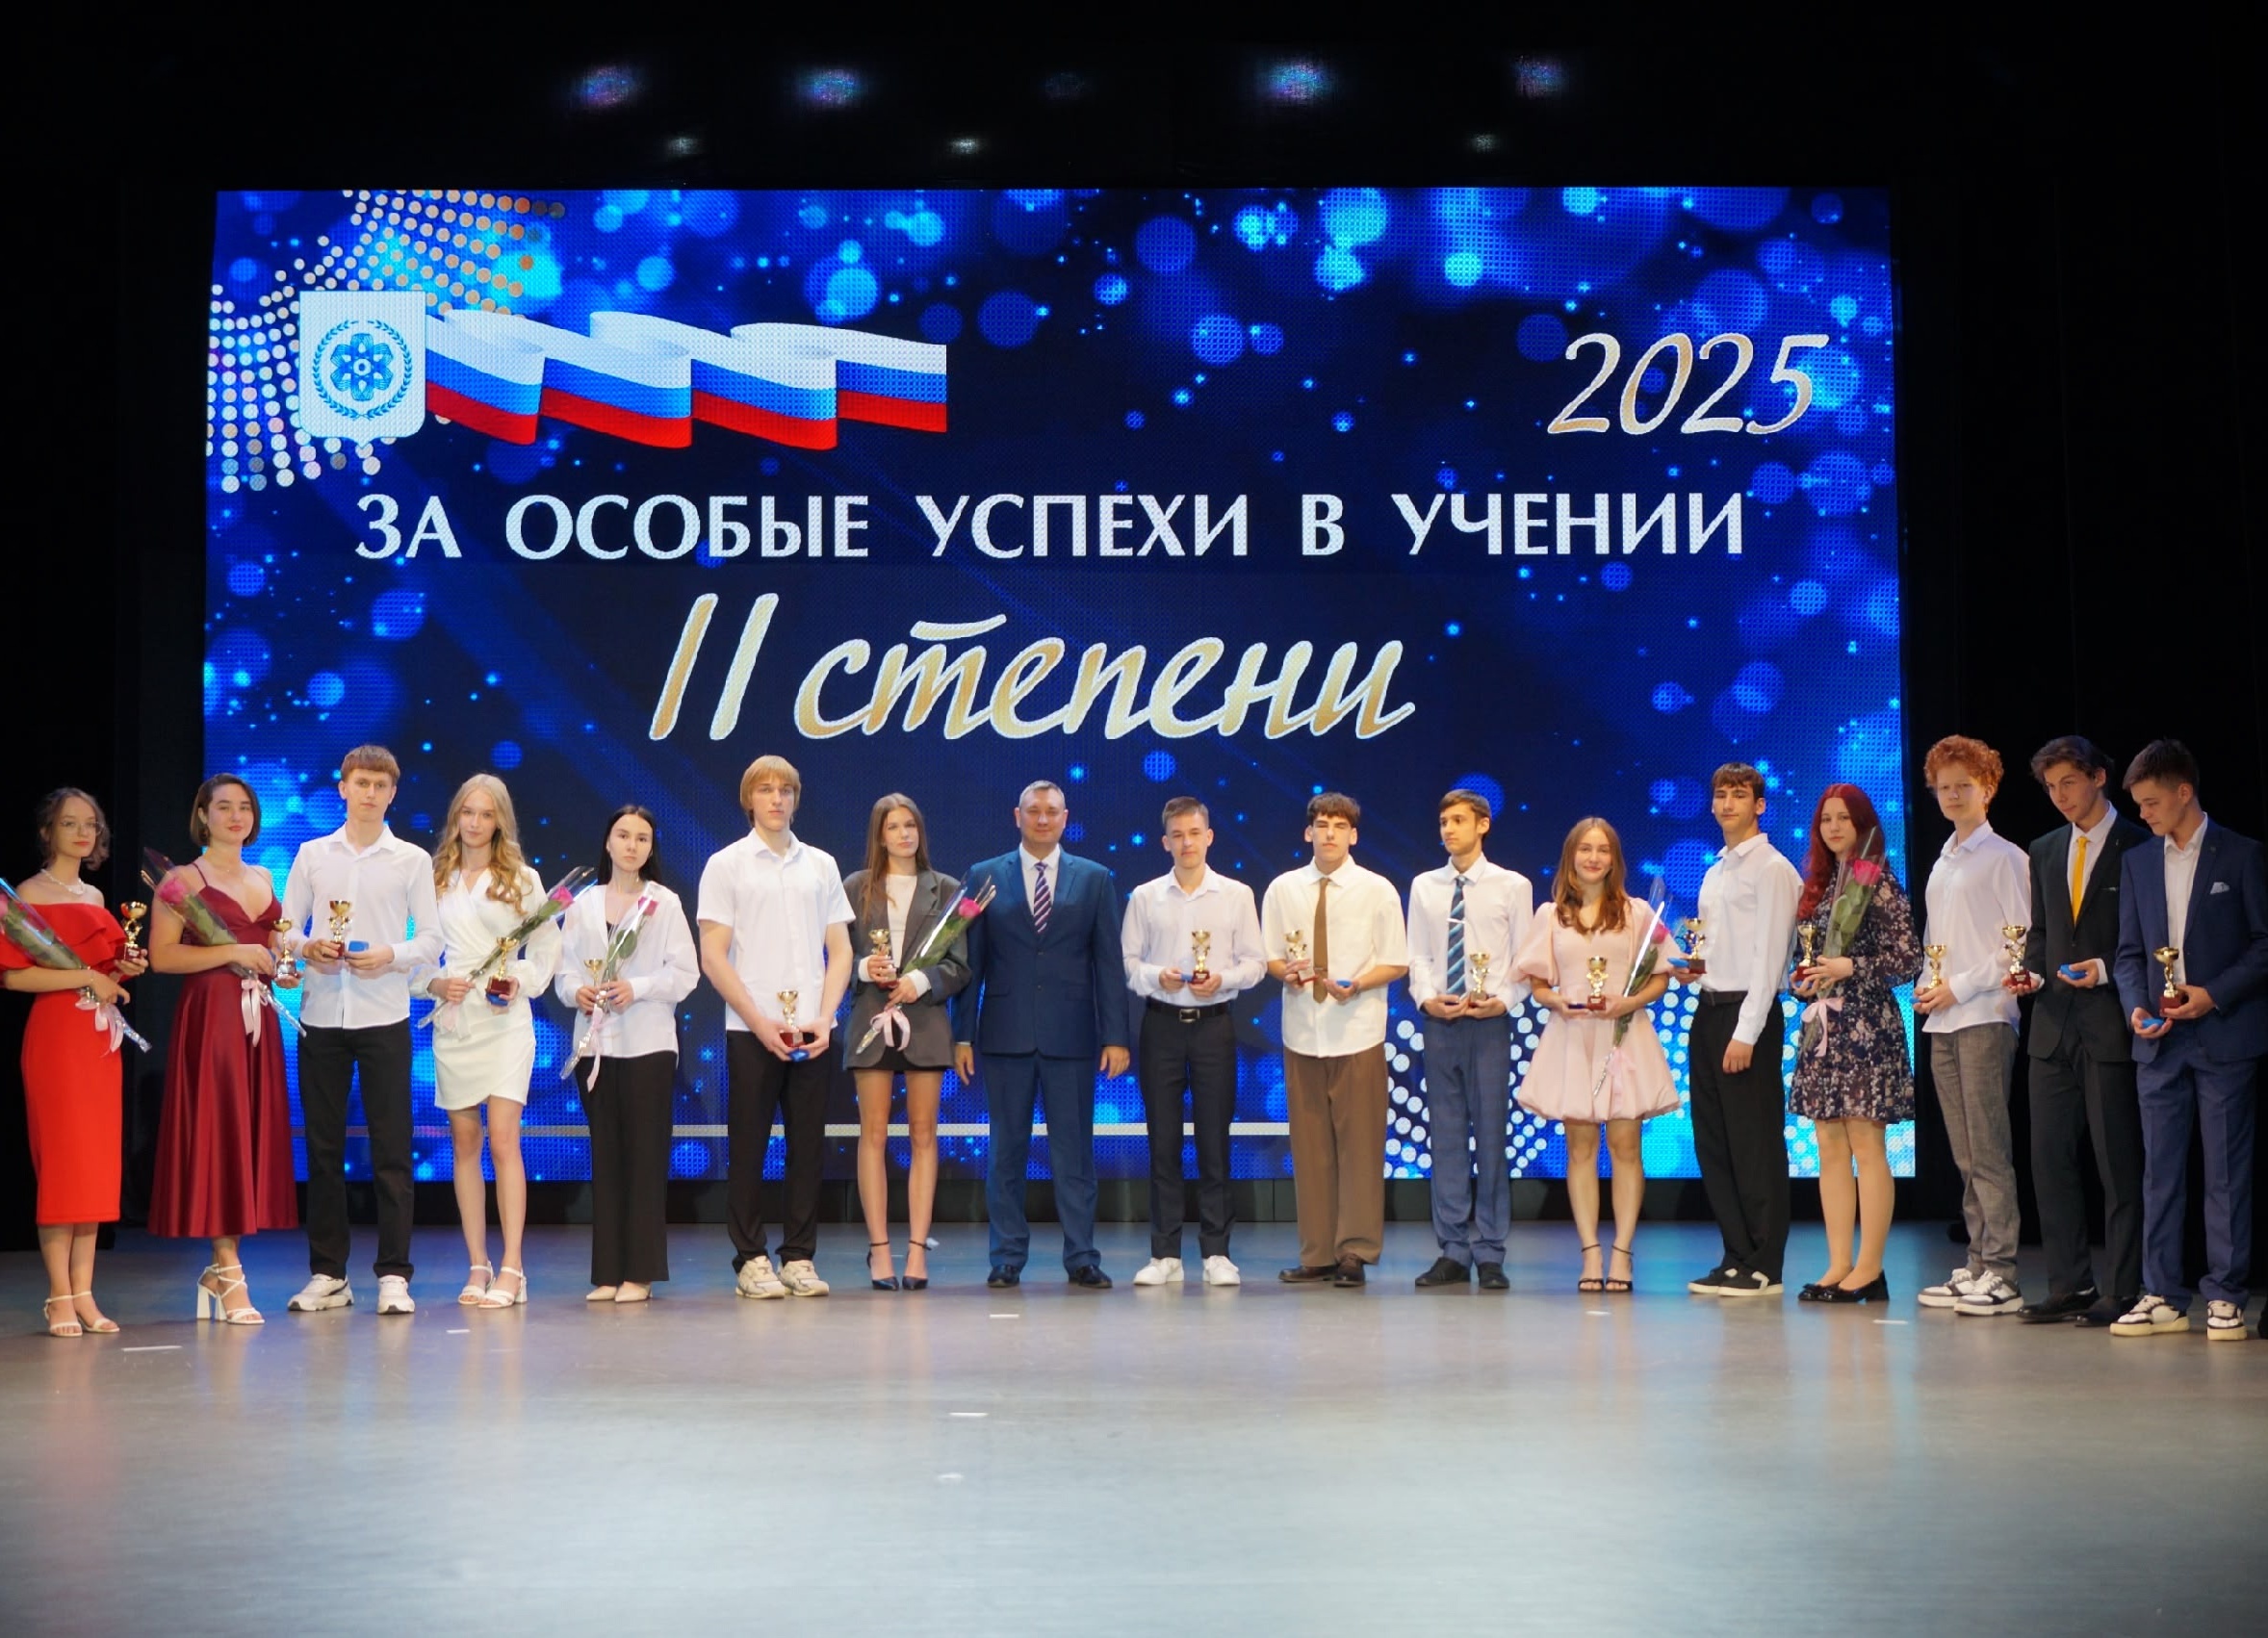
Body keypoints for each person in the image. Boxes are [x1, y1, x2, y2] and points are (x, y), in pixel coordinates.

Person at [2109, 740, 2268, 1343]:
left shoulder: (2242, 854)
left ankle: (2225, 1295)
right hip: (2159, 1041)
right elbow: (2129, 954)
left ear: (2184, 792)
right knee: (2160, 1172)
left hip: (2223, 1035)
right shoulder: (2138, 862)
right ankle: (2162, 1294)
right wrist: (2135, 1007)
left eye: (2151, 803)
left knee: (2225, 1171)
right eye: (2138, 804)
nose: (2143, 814)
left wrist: (2213, 994)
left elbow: (2264, 944)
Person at [277, 744, 440, 1318]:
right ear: (342, 787)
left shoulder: (411, 860)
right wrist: (307, 947)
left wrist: (391, 954)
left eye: (380, 785)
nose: (369, 793)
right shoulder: (313, 854)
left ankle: (394, 1274)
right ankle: (328, 1273)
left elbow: (432, 940)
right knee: (323, 1150)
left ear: (393, 793)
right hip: (322, 1016)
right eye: (361, 783)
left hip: (384, 1017)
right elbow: (285, 929)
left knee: (392, 1150)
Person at [953, 779, 1130, 1290]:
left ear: (1065, 817)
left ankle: (1082, 1257)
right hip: (1004, 1036)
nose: (1044, 818)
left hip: (1071, 1038)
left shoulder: (1094, 879)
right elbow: (970, 963)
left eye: (1053, 811)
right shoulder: (983, 876)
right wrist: (962, 1036)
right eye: (1034, 810)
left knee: (1074, 1154)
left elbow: (1108, 964)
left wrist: (1116, 1036)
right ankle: (1006, 1257)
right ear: (1018, 816)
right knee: (1005, 1153)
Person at [698, 755, 853, 1300]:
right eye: (765, 789)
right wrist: (758, 1021)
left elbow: (841, 950)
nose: (776, 798)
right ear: (749, 799)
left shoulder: (822, 865)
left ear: (795, 799)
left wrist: (826, 1016)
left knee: (807, 1147)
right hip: (752, 1029)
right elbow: (713, 955)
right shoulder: (726, 864)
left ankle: (799, 1257)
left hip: (812, 1028)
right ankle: (750, 1258)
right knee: (749, 1145)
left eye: (785, 789)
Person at [2006, 737, 2150, 1326]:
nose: (2060, 796)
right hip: (2051, 1025)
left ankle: (2125, 1287)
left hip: (2110, 1022)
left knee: (2117, 1162)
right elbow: (2041, 931)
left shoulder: (2138, 844)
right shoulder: (2045, 848)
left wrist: (2107, 969)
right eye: (2050, 787)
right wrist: (2031, 974)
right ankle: (2069, 1284)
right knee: (2049, 1160)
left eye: (2069, 782)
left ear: (2098, 778)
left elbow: (2151, 936)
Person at [146, 775, 297, 1323]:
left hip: (257, 1017)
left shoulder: (264, 877)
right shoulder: (182, 880)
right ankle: (228, 1267)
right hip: (211, 1018)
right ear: (203, 816)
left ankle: (220, 1267)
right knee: (219, 1131)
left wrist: (283, 967)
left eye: (245, 808)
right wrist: (231, 951)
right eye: (224, 807)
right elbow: (163, 957)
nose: (236, 816)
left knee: (247, 1133)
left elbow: (273, 947)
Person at [2, 790, 145, 1336]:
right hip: (56, 1038)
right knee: (63, 1165)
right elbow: (15, 976)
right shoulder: (27, 895)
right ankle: (58, 1295)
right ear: (48, 831)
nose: (83, 833)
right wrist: (87, 976)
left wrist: (124, 968)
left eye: (91, 824)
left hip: (98, 1040)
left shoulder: (96, 894)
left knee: (93, 1166)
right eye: (70, 823)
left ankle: (84, 1292)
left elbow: (105, 973)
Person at [1512, 818, 1676, 1293]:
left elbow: (1662, 975)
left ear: (1614, 859)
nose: (1593, 857)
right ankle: (1590, 1251)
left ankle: (1622, 1251)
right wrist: (1556, 1000)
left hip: (1624, 1037)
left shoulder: (1637, 912)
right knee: (1580, 1149)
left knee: (1626, 1148)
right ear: (1571, 856)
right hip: (1573, 1038)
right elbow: (1538, 984)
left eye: (1603, 850)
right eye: (1585, 849)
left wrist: (1630, 1002)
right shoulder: (1551, 915)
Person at [1261, 792, 1409, 1290]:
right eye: (1321, 825)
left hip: (1358, 1032)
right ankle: (1317, 1253)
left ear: (1353, 836)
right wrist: (1287, 973)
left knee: (1360, 1149)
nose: (1329, 833)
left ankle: (1355, 1251)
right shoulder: (1283, 888)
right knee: (1310, 1151)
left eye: (1339, 826)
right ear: (1308, 833)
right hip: (1303, 1033)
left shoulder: (1377, 890)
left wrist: (1359, 984)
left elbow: (1396, 960)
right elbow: (1271, 955)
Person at [424, 774, 558, 1310]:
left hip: (504, 1025)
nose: (475, 823)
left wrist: (516, 980)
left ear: (501, 821)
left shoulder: (523, 879)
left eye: (486, 814)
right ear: (455, 817)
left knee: (503, 1140)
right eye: (467, 813)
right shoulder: (433, 877)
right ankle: (477, 1263)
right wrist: (434, 984)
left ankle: (513, 1267)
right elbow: (415, 952)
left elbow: (545, 950)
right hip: (456, 1021)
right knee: (464, 1143)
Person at [1910, 735, 2033, 1318]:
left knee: (1987, 1147)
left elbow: (2019, 944)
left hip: (1985, 1013)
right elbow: (1939, 938)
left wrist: (1958, 986)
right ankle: (1978, 1262)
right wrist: (1928, 982)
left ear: (1988, 788)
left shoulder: (2005, 857)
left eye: (1965, 785)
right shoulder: (1944, 860)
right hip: (1943, 1018)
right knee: (1963, 1151)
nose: (1953, 795)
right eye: (1944, 787)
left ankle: (2003, 1272)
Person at [1121, 796, 1266, 1289]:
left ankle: (1216, 1252)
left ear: (1210, 837)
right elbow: (1129, 964)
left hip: (1214, 1026)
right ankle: (1164, 1253)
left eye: (1195, 833)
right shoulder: (1145, 896)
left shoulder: (1236, 895)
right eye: (1178, 835)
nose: (1187, 843)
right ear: (1165, 842)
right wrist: (1155, 976)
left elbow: (1255, 963)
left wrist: (1222, 979)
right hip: (1161, 1024)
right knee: (1162, 1140)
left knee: (1214, 1140)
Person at [556, 805, 698, 1304]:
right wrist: (576, 993)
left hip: (648, 1045)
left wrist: (636, 987)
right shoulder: (582, 904)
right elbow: (564, 972)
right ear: (608, 842)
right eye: (623, 835)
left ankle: (640, 1272)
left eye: (642, 838)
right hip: (595, 1047)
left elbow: (685, 974)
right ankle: (608, 1272)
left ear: (651, 848)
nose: (632, 845)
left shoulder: (664, 903)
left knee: (645, 1159)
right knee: (606, 1159)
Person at [1787, 784, 1920, 1304]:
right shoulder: (1818, 886)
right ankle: (1839, 1262)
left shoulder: (1877, 879)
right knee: (1829, 1145)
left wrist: (1851, 966)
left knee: (1867, 1144)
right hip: (1824, 1028)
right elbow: (1805, 956)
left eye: (1844, 818)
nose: (1834, 827)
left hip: (1867, 1027)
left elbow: (1907, 958)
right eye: (1826, 820)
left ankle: (1870, 1267)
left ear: (1863, 825)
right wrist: (1802, 980)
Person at [1680, 763, 1802, 1299]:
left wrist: (1747, 1032)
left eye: (1739, 795)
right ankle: (1735, 1255)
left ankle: (1765, 1261)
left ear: (1759, 805)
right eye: (1721, 794)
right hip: (1708, 1009)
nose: (1727, 803)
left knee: (1754, 1141)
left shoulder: (1772, 868)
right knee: (1715, 1141)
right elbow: (1721, 944)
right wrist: (1694, 966)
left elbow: (1772, 956)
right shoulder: (1716, 870)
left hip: (1747, 1013)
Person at [841, 793, 970, 1292]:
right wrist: (864, 969)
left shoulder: (948, 889)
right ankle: (879, 1251)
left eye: (911, 825)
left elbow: (960, 967)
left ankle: (917, 1251)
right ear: (879, 835)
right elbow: (834, 957)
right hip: (871, 1021)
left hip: (926, 1021)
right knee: (872, 1134)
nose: (904, 834)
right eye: (894, 827)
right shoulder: (855, 888)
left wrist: (920, 982)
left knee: (923, 1135)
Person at [1406, 787, 1533, 1292]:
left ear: (1483, 825)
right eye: (1443, 822)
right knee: (1446, 1137)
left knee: (1492, 1136)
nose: (1448, 830)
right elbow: (1418, 955)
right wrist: (1426, 999)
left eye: (1458, 820)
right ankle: (1453, 1249)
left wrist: (1503, 999)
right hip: (1441, 1023)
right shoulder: (1425, 886)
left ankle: (1491, 1251)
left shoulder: (1512, 886)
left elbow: (1524, 959)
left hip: (1489, 1024)